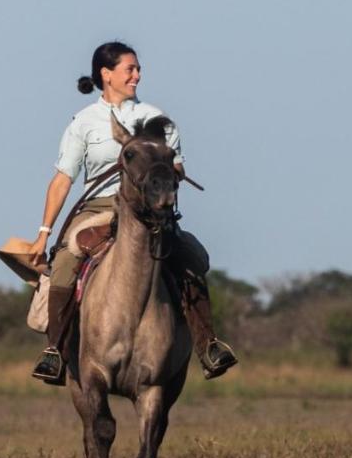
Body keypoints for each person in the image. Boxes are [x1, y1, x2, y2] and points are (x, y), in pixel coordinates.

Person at [26, 41, 238, 385]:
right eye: (130, 69)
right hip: (98, 208)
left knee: (193, 258)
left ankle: (208, 346)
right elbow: (63, 179)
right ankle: (56, 351)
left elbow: (177, 170)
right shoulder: (84, 122)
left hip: (150, 212)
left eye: (138, 69)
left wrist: (165, 173)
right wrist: (43, 233)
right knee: (65, 262)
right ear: (106, 74)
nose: (137, 75)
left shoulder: (157, 120)